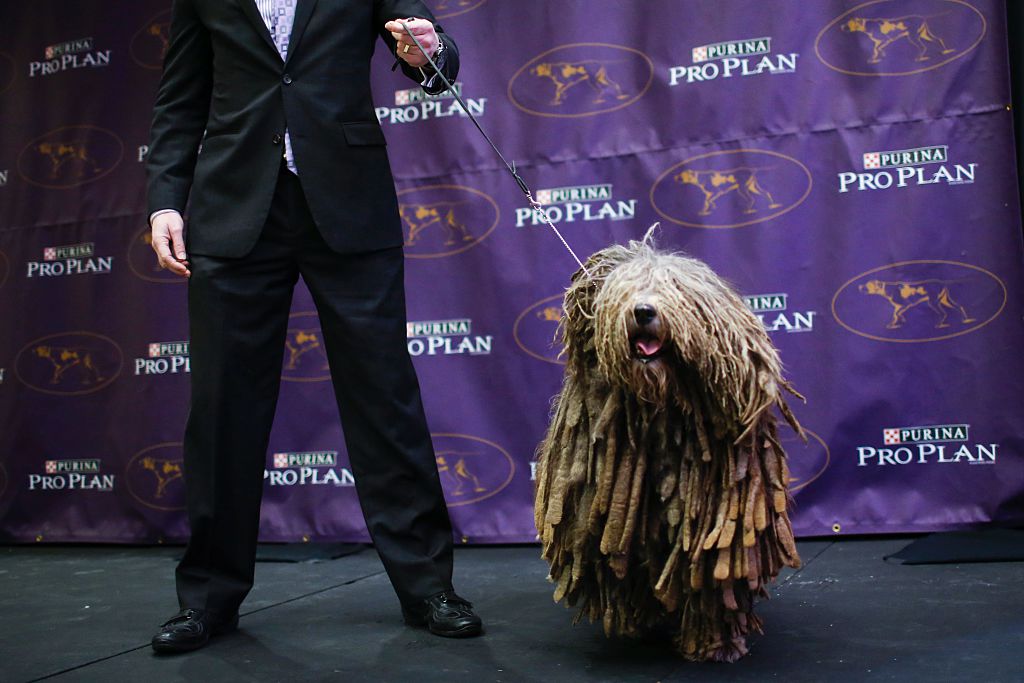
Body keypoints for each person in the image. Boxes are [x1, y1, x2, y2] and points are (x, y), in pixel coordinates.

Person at [145, 0, 481, 654]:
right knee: (221, 413)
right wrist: (165, 199)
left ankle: (428, 587)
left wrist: (425, 52)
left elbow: (433, 59)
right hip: (234, 206)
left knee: (385, 401)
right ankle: (207, 599)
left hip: (348, 200)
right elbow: (179, 98)